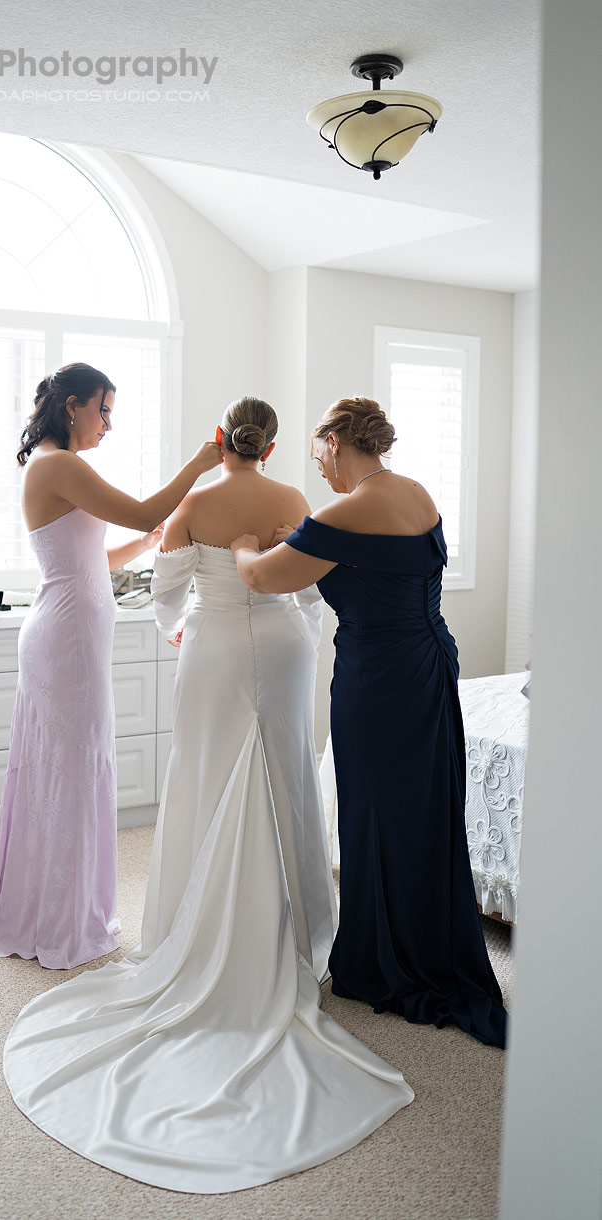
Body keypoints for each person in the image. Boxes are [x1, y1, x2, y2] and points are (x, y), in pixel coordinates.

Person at [1, 396, 413, 1194]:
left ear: (224, 441)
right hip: (284, 650)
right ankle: (297, 936)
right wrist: (292, 626)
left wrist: (177, 628)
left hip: (215, 646)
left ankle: (194, 931)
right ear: (273, 444)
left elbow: (165, 592)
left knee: (204, 774)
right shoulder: (293, 498)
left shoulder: (193, 504)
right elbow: (310, 595)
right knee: (285, 773)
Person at [232, 396, 507, 1049]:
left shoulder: (343, 512)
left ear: (334, 441)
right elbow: (373, 561)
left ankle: (384, 962)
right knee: (422, 811)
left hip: (377, 680)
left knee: (376, 813)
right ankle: (425, 942)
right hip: (430, 665)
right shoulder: (415, 494)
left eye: (317, 456)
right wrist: (301, 537)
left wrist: (244, 548)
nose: (319, 470)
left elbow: (264, 579)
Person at [0, 362, 222, 970]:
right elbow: (143, 510)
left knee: (74, 767)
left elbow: (92, 556)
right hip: (64, 639)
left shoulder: (59, 465)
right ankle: (58, 917)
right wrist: (200, 465)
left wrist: (145, 544)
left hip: (73, 634)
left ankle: (65, 907)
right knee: (68, 771)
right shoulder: (58, 465)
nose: (108, 425)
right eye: (104, 410)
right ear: (73, 406)